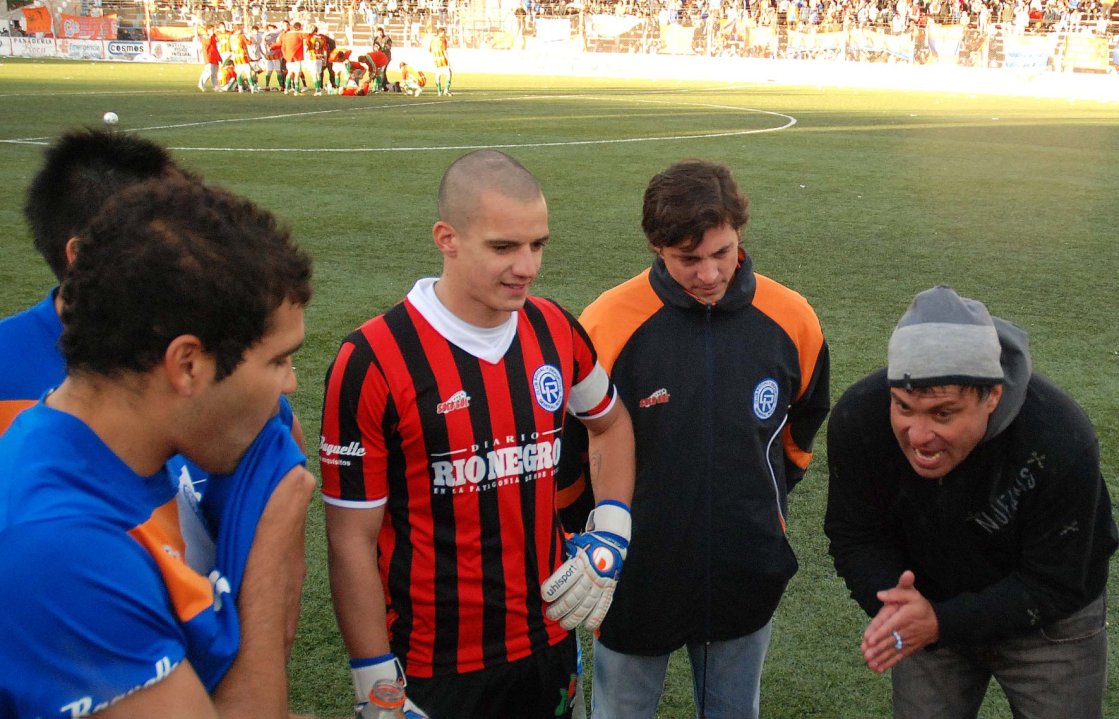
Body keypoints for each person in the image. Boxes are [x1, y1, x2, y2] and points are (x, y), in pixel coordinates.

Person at [320, 149, 637, 719]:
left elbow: (610, 424)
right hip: (432, 662)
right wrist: (373, 680)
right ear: (447, 239)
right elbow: (350, 539)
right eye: (504, 247)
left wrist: (612, 529)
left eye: (538, 244)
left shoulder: (555, 329)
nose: (527, 266)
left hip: (548, 637)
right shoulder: (373, 358)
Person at [0, 175, 316, 717]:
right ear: (187, 364)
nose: (289, 384)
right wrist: (270, 543)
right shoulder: (64, 549)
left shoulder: (105, 451)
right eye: (278, 360)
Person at [562, 159, 829, 719]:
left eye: (722, 253)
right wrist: (585, 533)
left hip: (744, 566)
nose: (708, 273)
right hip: (635, 574)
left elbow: (803, 422)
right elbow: (573, 446)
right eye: (688, 259)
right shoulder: (607, 322)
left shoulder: (791, 317)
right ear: (656, 247)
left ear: (739, 235)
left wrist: (768, 506)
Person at [825, 285, 1117, 719]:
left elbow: (1057, 581)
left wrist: (942, 621)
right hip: (926, 606)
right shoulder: (860, 418)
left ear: (992, 396)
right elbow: (856, 534)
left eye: (943, 413)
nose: (919, 436)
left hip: (1047, 625)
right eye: (904, 407)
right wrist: (898, 604)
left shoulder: (1059, 437)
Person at [428, 26, 452, 96]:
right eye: (444, 33)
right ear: (440, 33)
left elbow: (430, 50)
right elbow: (444, 51)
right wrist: (448, 60)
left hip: (436, 61)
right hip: (443, 60)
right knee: (449, 74)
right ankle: (446, 90)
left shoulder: (433, 40)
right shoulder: (443, 40)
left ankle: (439, 91)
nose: (445, 34)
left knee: (437, 75)